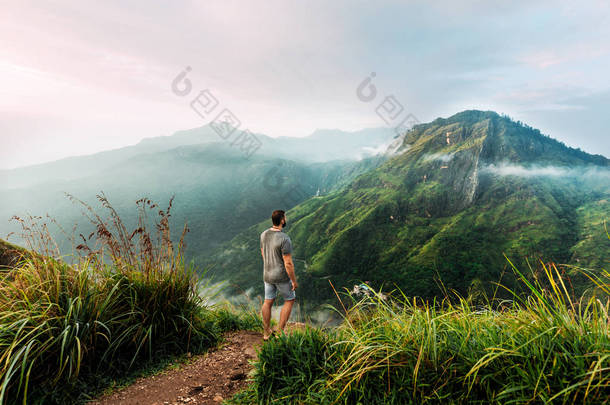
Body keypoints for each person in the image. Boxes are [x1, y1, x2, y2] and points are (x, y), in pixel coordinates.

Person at [260, 210, 298, 340]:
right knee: (290, 299)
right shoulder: (284, 238)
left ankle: (266, 333)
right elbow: (288, 263)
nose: (285, 219)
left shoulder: (263, 234)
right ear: (282, 220)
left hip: (267, 274)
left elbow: (263, 253)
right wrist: (294, 281)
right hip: (281, 276)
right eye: (285, 217)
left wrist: (269, 265)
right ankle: (280, 332)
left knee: (267, 302)